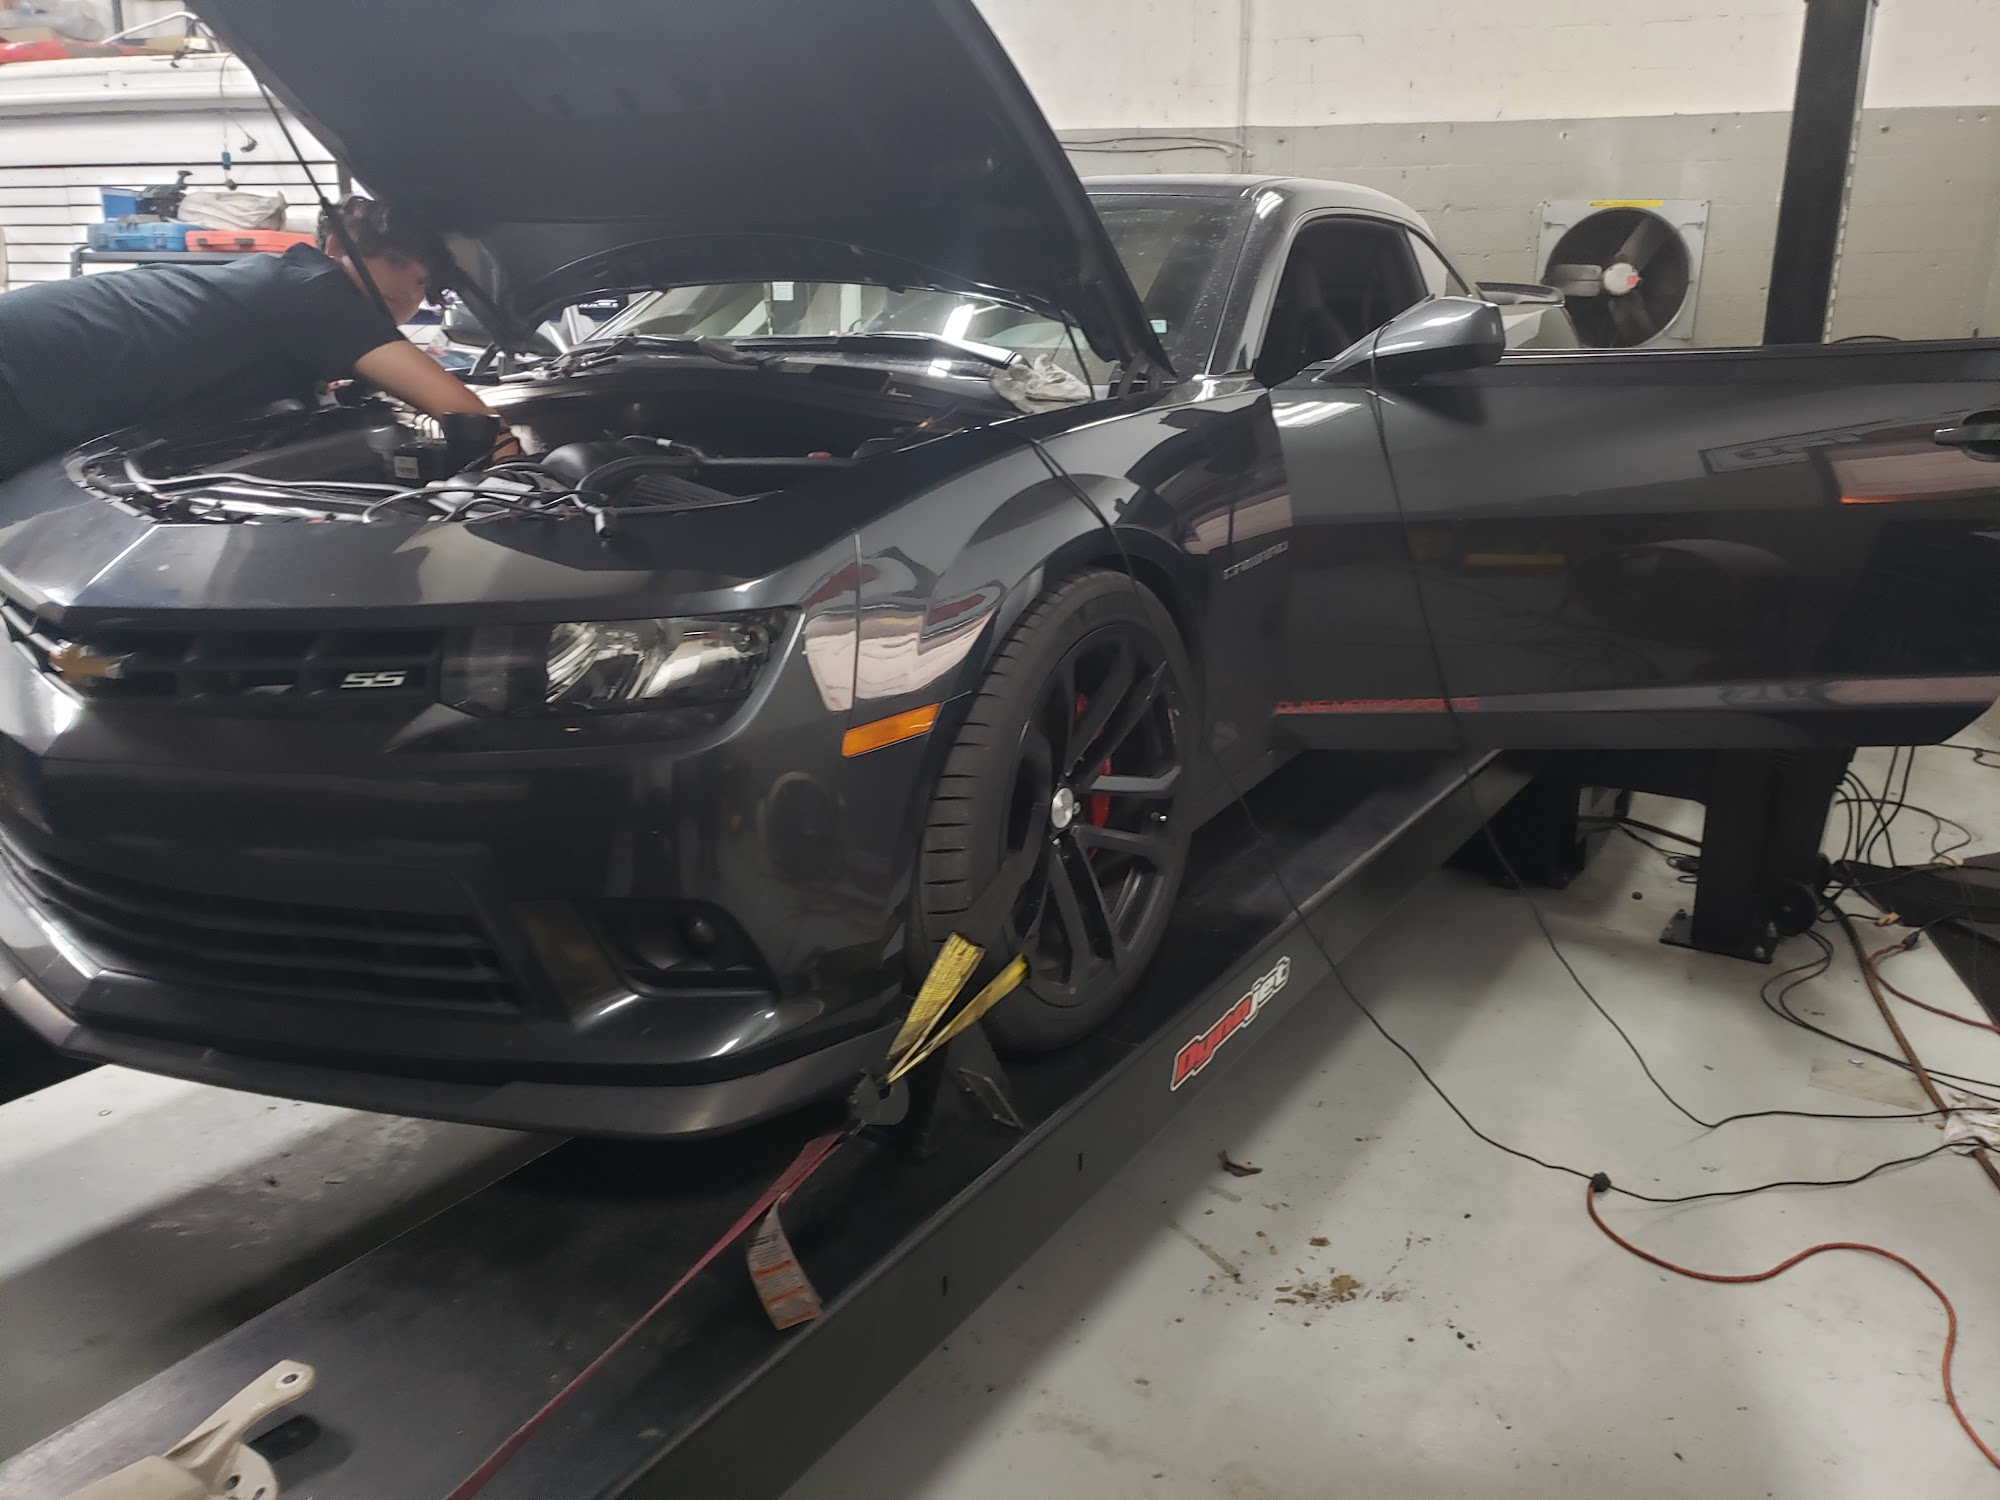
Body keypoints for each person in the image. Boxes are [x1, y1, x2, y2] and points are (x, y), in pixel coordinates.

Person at [0, 194, 516, 481]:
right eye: (407, 273)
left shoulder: (290, 283)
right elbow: (466, 415)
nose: (411, 295)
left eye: (423, 284)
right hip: (24, 363)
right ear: (337, 250)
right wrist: (523, 473)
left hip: (41, 363)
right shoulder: (320, 291)